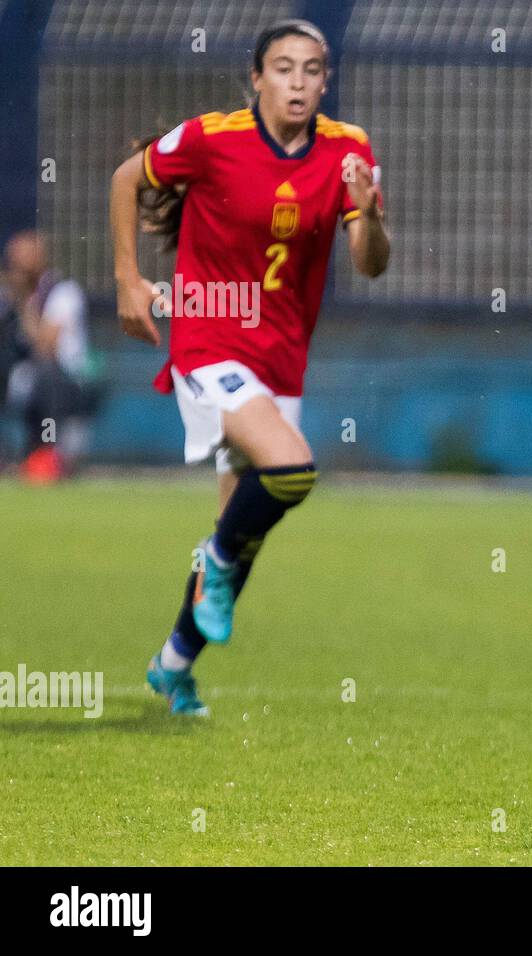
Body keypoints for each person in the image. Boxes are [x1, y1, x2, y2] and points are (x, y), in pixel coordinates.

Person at [108, 18, 390, 716]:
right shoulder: (212, 138)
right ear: (257, 77)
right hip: (207, 339)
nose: (298, 82)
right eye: (284, 68)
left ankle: (173, 664)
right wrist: (126, 280)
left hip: (282, 356)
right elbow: (125, 177)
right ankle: (214, 558)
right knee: (291, 470)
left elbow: (371, 264)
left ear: (327, 80)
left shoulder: (349, 150)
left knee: (247, 528)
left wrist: (369, 214)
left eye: (312, 70)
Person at [0, 230, 98, 479]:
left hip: (67, 377)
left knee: (46, 373)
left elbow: (46, 346)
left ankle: (48, 451)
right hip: (25, 374)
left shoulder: (63, 292)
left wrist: (23, 303)